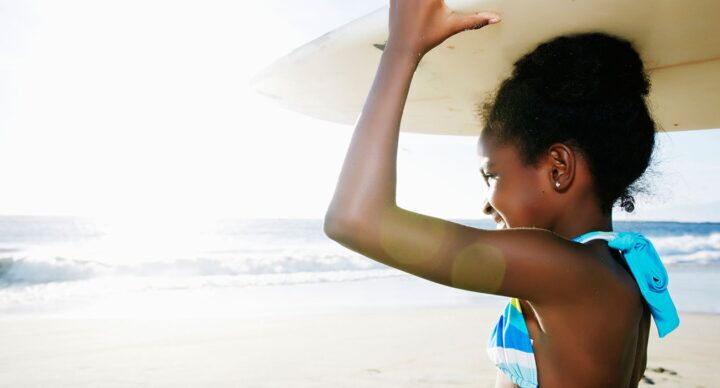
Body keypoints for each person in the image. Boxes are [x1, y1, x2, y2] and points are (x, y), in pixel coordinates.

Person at [323, 1, 678, 386]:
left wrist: (403, 49)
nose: (487, 203)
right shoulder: (617, 269)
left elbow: (354, 219)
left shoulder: (565, 270)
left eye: (492, 175)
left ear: (558, 168)